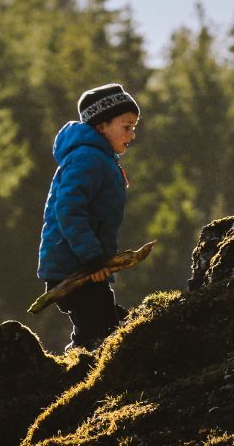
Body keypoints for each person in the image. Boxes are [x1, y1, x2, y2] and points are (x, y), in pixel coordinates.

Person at [36, 83, 140, 350]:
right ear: (101, 126)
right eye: (126, 126)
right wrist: (92, 257)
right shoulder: (88, 159)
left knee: (110, 324)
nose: (132, 134)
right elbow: (68, 210)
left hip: (89, 266)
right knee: (94, 335)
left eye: (133, 127)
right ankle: (76, 378)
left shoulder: (101, 158)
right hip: (74, 266)